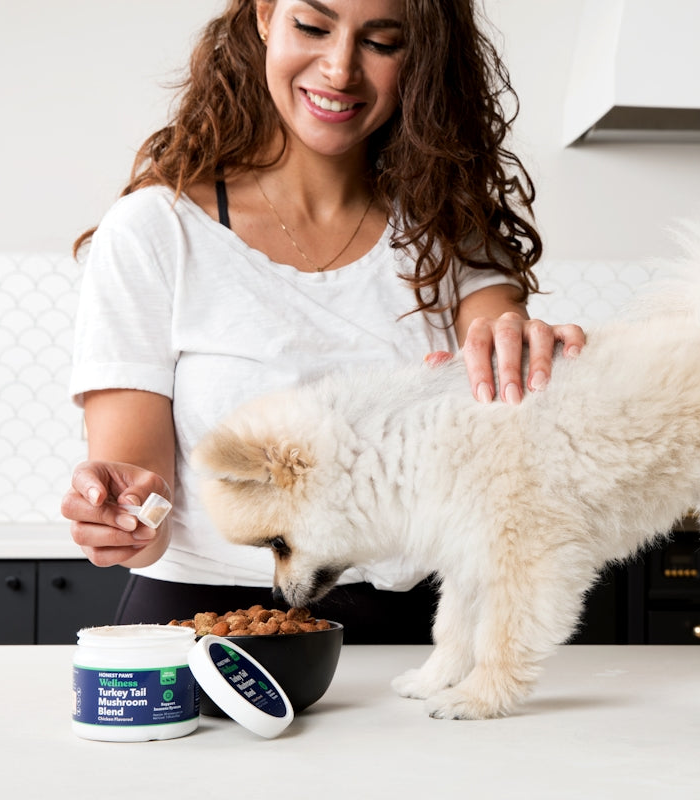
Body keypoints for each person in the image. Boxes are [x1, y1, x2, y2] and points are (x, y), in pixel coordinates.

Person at [61, 0, 584, 643]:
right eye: (312, 26)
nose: (339, 70)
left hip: (420, 627)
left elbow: (496, 337)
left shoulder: (449, 229)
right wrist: (124, 516)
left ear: (421, 57)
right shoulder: (155, 229)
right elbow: (143, 503)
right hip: (205, 623)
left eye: (383, 42)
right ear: (264, 17)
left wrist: (527, 353)